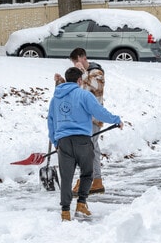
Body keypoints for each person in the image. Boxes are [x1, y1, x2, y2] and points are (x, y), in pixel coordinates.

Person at [48, 67, 123, 221]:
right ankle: (81, 203)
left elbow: (51, 122)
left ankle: (65, 212)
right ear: (79, 80)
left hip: (64, 141)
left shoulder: (55, 99)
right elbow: (99, 112)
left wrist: (56, 141)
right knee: (87, 173)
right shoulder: (84, 94)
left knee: (66, 177)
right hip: (82, 141)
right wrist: (116, 119)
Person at [54, 47, 107, 195]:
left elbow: (95, 86)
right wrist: (61, 82)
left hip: (93, 118)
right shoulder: (83, 75)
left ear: (83, 58)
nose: (76, 65)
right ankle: (94, 180)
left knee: (89, 148)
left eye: (77, 62)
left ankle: (92, 180)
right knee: (88, 148)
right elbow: (75, 88)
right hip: (80, 118)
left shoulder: (97, 73)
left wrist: (83, 73)